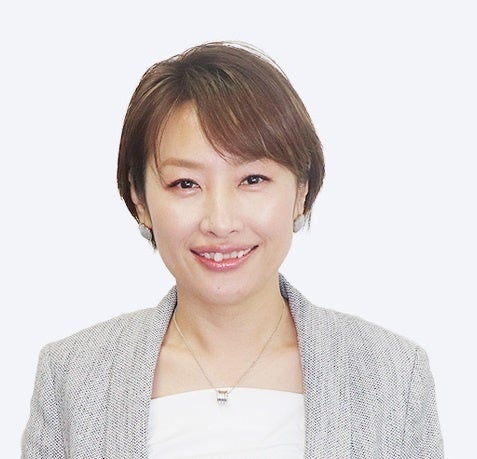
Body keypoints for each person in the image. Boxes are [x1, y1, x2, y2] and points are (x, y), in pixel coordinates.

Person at [22, 42, 444, 458]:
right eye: (185, 184)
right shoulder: (73, 374)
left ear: (301, 191)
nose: (220, 222)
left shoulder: (392, 374)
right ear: (140, 199)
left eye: (252, 179)